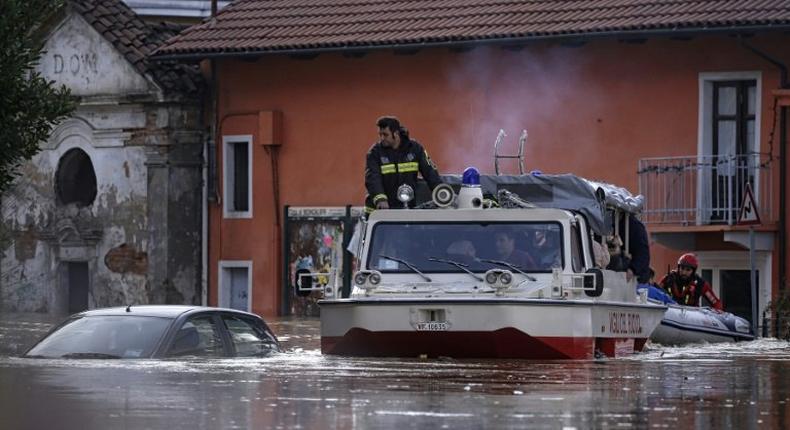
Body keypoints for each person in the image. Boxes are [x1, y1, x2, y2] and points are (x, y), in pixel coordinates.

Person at [364, 116, 443, 214]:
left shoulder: (415, 149)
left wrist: (441, 192)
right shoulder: (375, 153)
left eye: (385, 135)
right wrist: (380, 199)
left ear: (396, 133)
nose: (382, 138)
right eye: (380, 134)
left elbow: (430, 171)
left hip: (406, 210)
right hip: (380, 212)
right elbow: (372, 178)